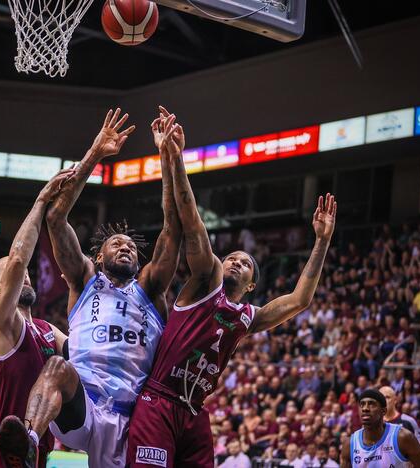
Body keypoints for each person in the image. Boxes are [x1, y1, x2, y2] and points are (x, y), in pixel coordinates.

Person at [127, 108, 336, 468]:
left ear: (252, 284)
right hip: (159, 400)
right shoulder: (205, 282)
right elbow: (190, 218)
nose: (236, 262)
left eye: (245, 262)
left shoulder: (247, 317)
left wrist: (321, 241)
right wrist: (175, 158)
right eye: (232, 258)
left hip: (193, 412)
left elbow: (301, 299)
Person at [0, 108, 182, 468]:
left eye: (131, 245)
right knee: (56, 368)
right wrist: (95, 153)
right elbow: (55, 217)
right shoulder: (84, 281)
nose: (126, 246)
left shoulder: (152, 287)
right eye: (116, 243)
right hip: (85, 405)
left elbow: (173, 228)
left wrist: (167, 159)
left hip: (136, 416)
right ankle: (30, 440)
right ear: (97, 257)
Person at [0, 171, 72, 467]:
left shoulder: (46, 329)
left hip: (40, 452)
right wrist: (42, 200)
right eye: (18, 277)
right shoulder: (0, 322)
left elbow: (81, 353)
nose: (27, 277)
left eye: (29, 276)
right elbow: (19, 259)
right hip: (4, 451)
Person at [341, 389, 420, 468]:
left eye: (371, 404)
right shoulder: (349, 444)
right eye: (362, 404)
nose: (365, 408)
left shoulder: (403, 437)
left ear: (383, 411)